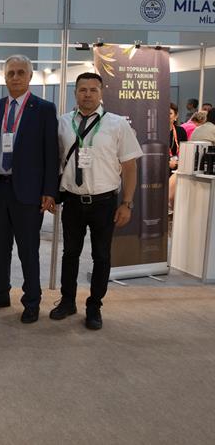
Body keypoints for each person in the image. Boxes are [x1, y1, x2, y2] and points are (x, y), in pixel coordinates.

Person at [51, 73, 142, 330]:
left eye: (93, 89)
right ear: (75, 93)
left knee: (101, 255)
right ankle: (67, 301)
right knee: (70, 254)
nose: (88, 94)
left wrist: (127, 203)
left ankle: (94, 306)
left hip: (104, 203)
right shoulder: (63, 123)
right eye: (83, 89)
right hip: (72, 201)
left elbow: (130, 167)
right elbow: (54, 162)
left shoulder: (117, 124)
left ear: (101, 93)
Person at [0, 54, 58, 324]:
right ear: (4, 77)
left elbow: (51, 153)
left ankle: (31, 301)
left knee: (28, 251)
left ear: (30, 76)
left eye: (21, 72)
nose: (15, 77)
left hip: (28, 192)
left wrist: (49, 191)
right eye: (11, 73)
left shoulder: (43, 109)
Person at [168, 103, 188, 175]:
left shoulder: (181, 131)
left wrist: (178, 162)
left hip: (176, 168)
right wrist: (167, 162)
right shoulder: (157, 131)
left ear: (176, 116)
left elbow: (185, 151)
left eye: (170, 113)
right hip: (160, 167)